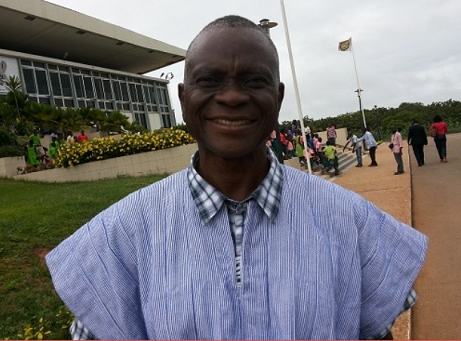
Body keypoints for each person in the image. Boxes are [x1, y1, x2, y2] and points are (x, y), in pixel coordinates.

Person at [46, 15, 427, 340]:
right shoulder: (121, 235)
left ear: (277, 99)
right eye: (209, 80)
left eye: (253, 80)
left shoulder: (351, 221)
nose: (230, 97)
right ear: (182, 99)